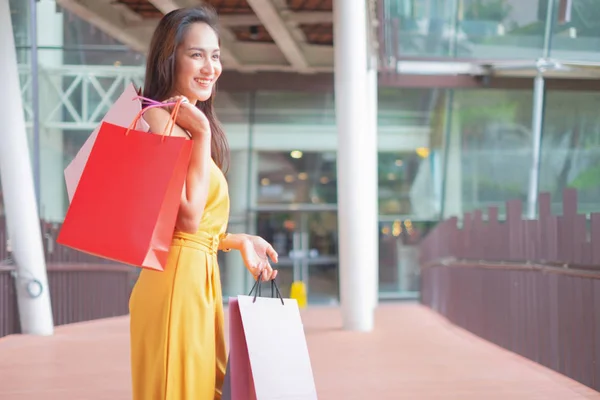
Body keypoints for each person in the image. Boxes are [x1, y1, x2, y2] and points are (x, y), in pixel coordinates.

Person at [128, 6, 279, 400]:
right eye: (196, 54)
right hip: (177, 283)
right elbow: (189, 219)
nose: (210, 67)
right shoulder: (159, 121)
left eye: (215, 55)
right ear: (169, 58)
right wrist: (201, 136)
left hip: (197, 280)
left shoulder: (184, 123)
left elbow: (192, 223)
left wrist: (237, 240)